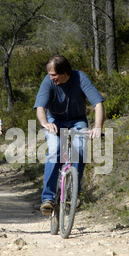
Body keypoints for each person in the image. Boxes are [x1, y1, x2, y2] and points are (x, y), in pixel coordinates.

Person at [33, 55, 105, 215]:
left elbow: (98, 104)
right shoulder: (48, 81)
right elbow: (40, 108)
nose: (51, 78)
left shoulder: (80, 78)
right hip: (54, 121)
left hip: (77, 120)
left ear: (65, 72)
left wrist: (98, 127)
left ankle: (74, 193)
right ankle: (48, 198)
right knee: (55, 149)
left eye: (54, 75)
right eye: (50, 74)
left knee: (80, 150)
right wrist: (45, 123)